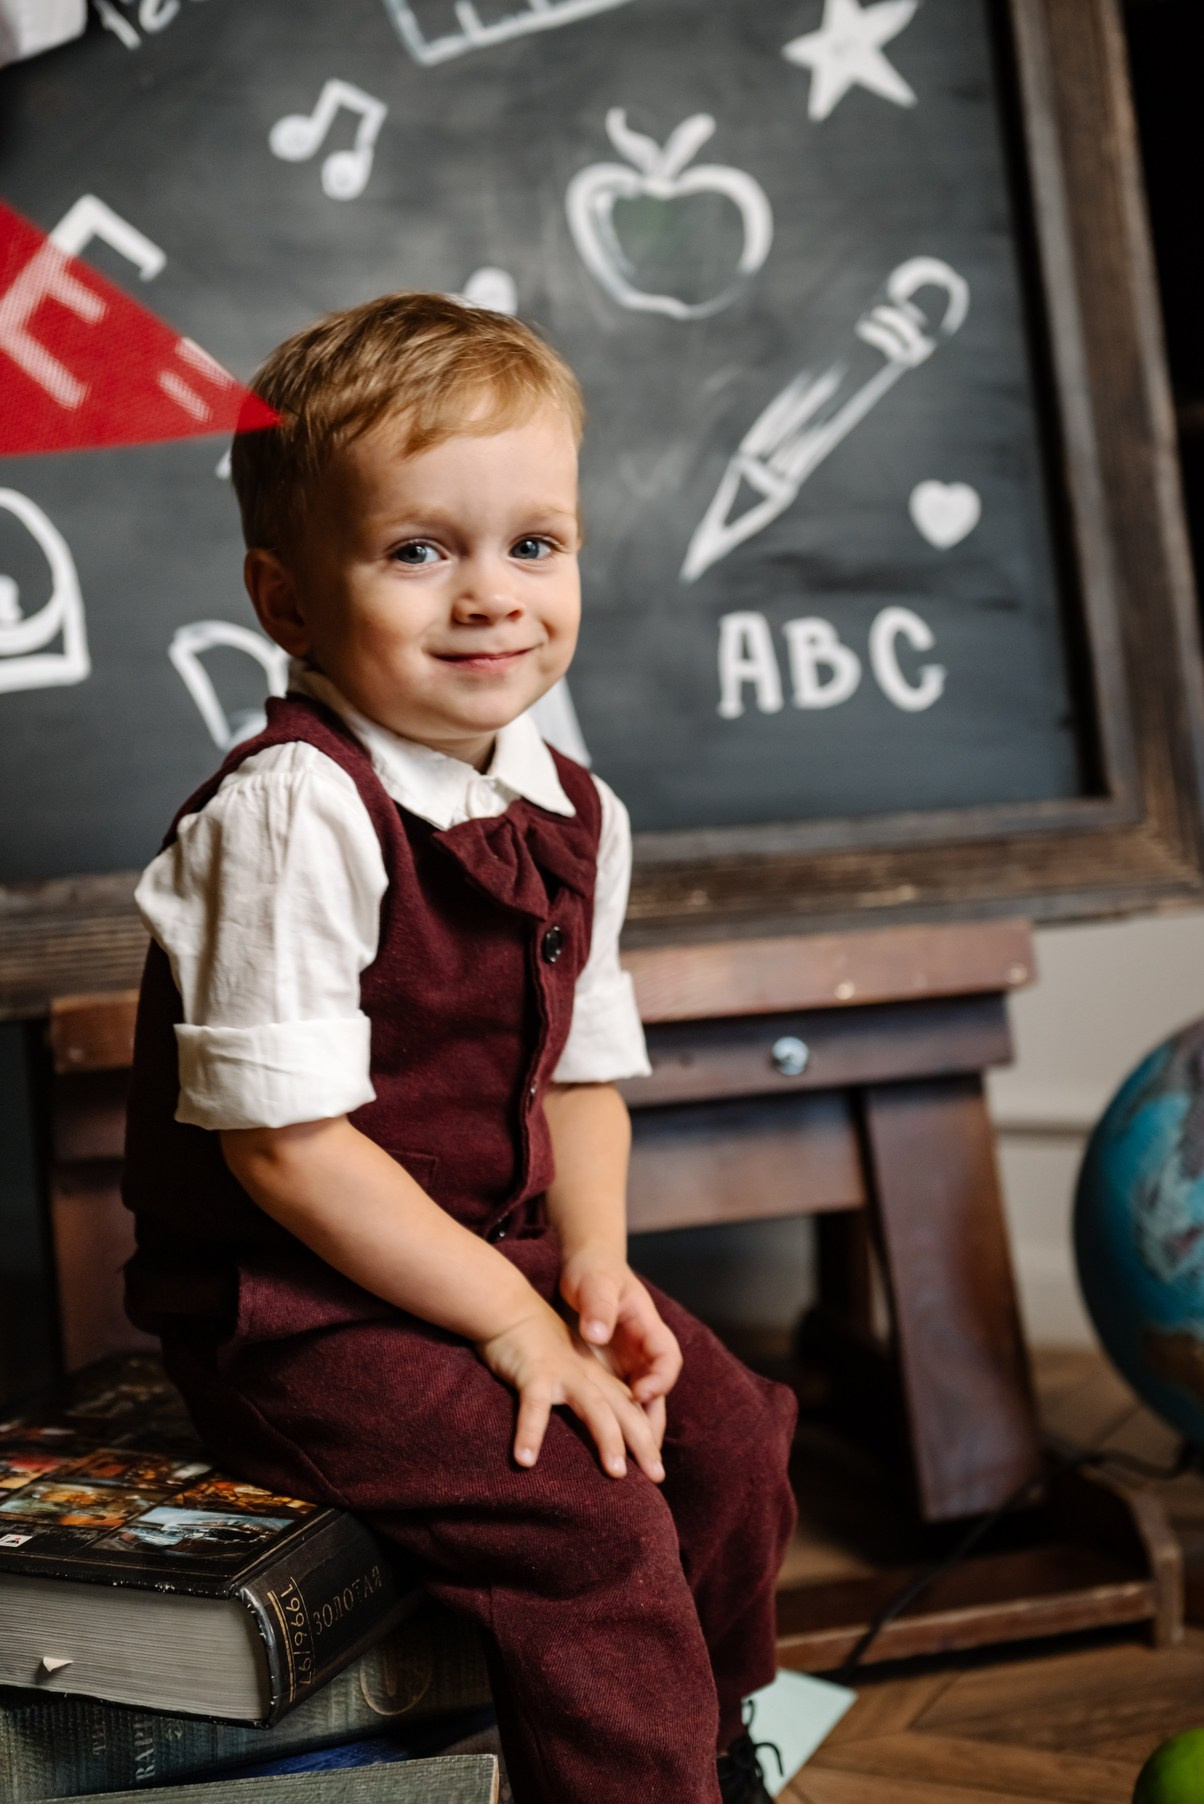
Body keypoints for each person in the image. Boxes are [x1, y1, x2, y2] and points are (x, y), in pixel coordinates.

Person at [121, 293, 798, 1804]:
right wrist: (510, 1323)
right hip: (296, 1308)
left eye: (533, 545)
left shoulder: (574, 805)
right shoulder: (294, 811)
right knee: (586, 1519)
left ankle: (715, 1729)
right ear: (288, 599)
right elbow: (287, 1152)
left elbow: (581, 1075)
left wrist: (595, 1269)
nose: (491, 596)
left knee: (730, 1433)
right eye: (420, 550)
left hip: (492, 1255)